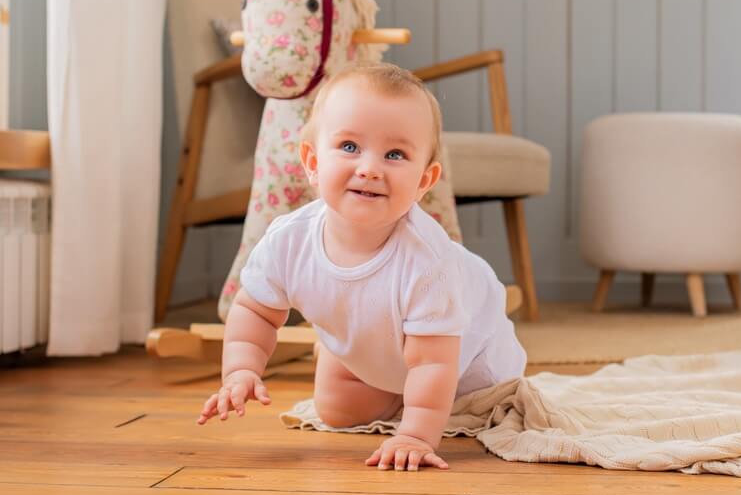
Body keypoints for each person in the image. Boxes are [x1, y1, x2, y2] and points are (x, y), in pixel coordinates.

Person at [196, 62, 526, 472]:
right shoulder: (289, 240)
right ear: (312, 162)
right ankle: (386, 379)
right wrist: (241, 370)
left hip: (466, 356)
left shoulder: (427, 262)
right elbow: (255, 311)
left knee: (476, 404)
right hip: (382, 347)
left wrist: (415, 435)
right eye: (350, 147)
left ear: (425, 181)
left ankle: (417, 401)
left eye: (395, 154)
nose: (370, 168)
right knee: (335, 410)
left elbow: (434, 363)